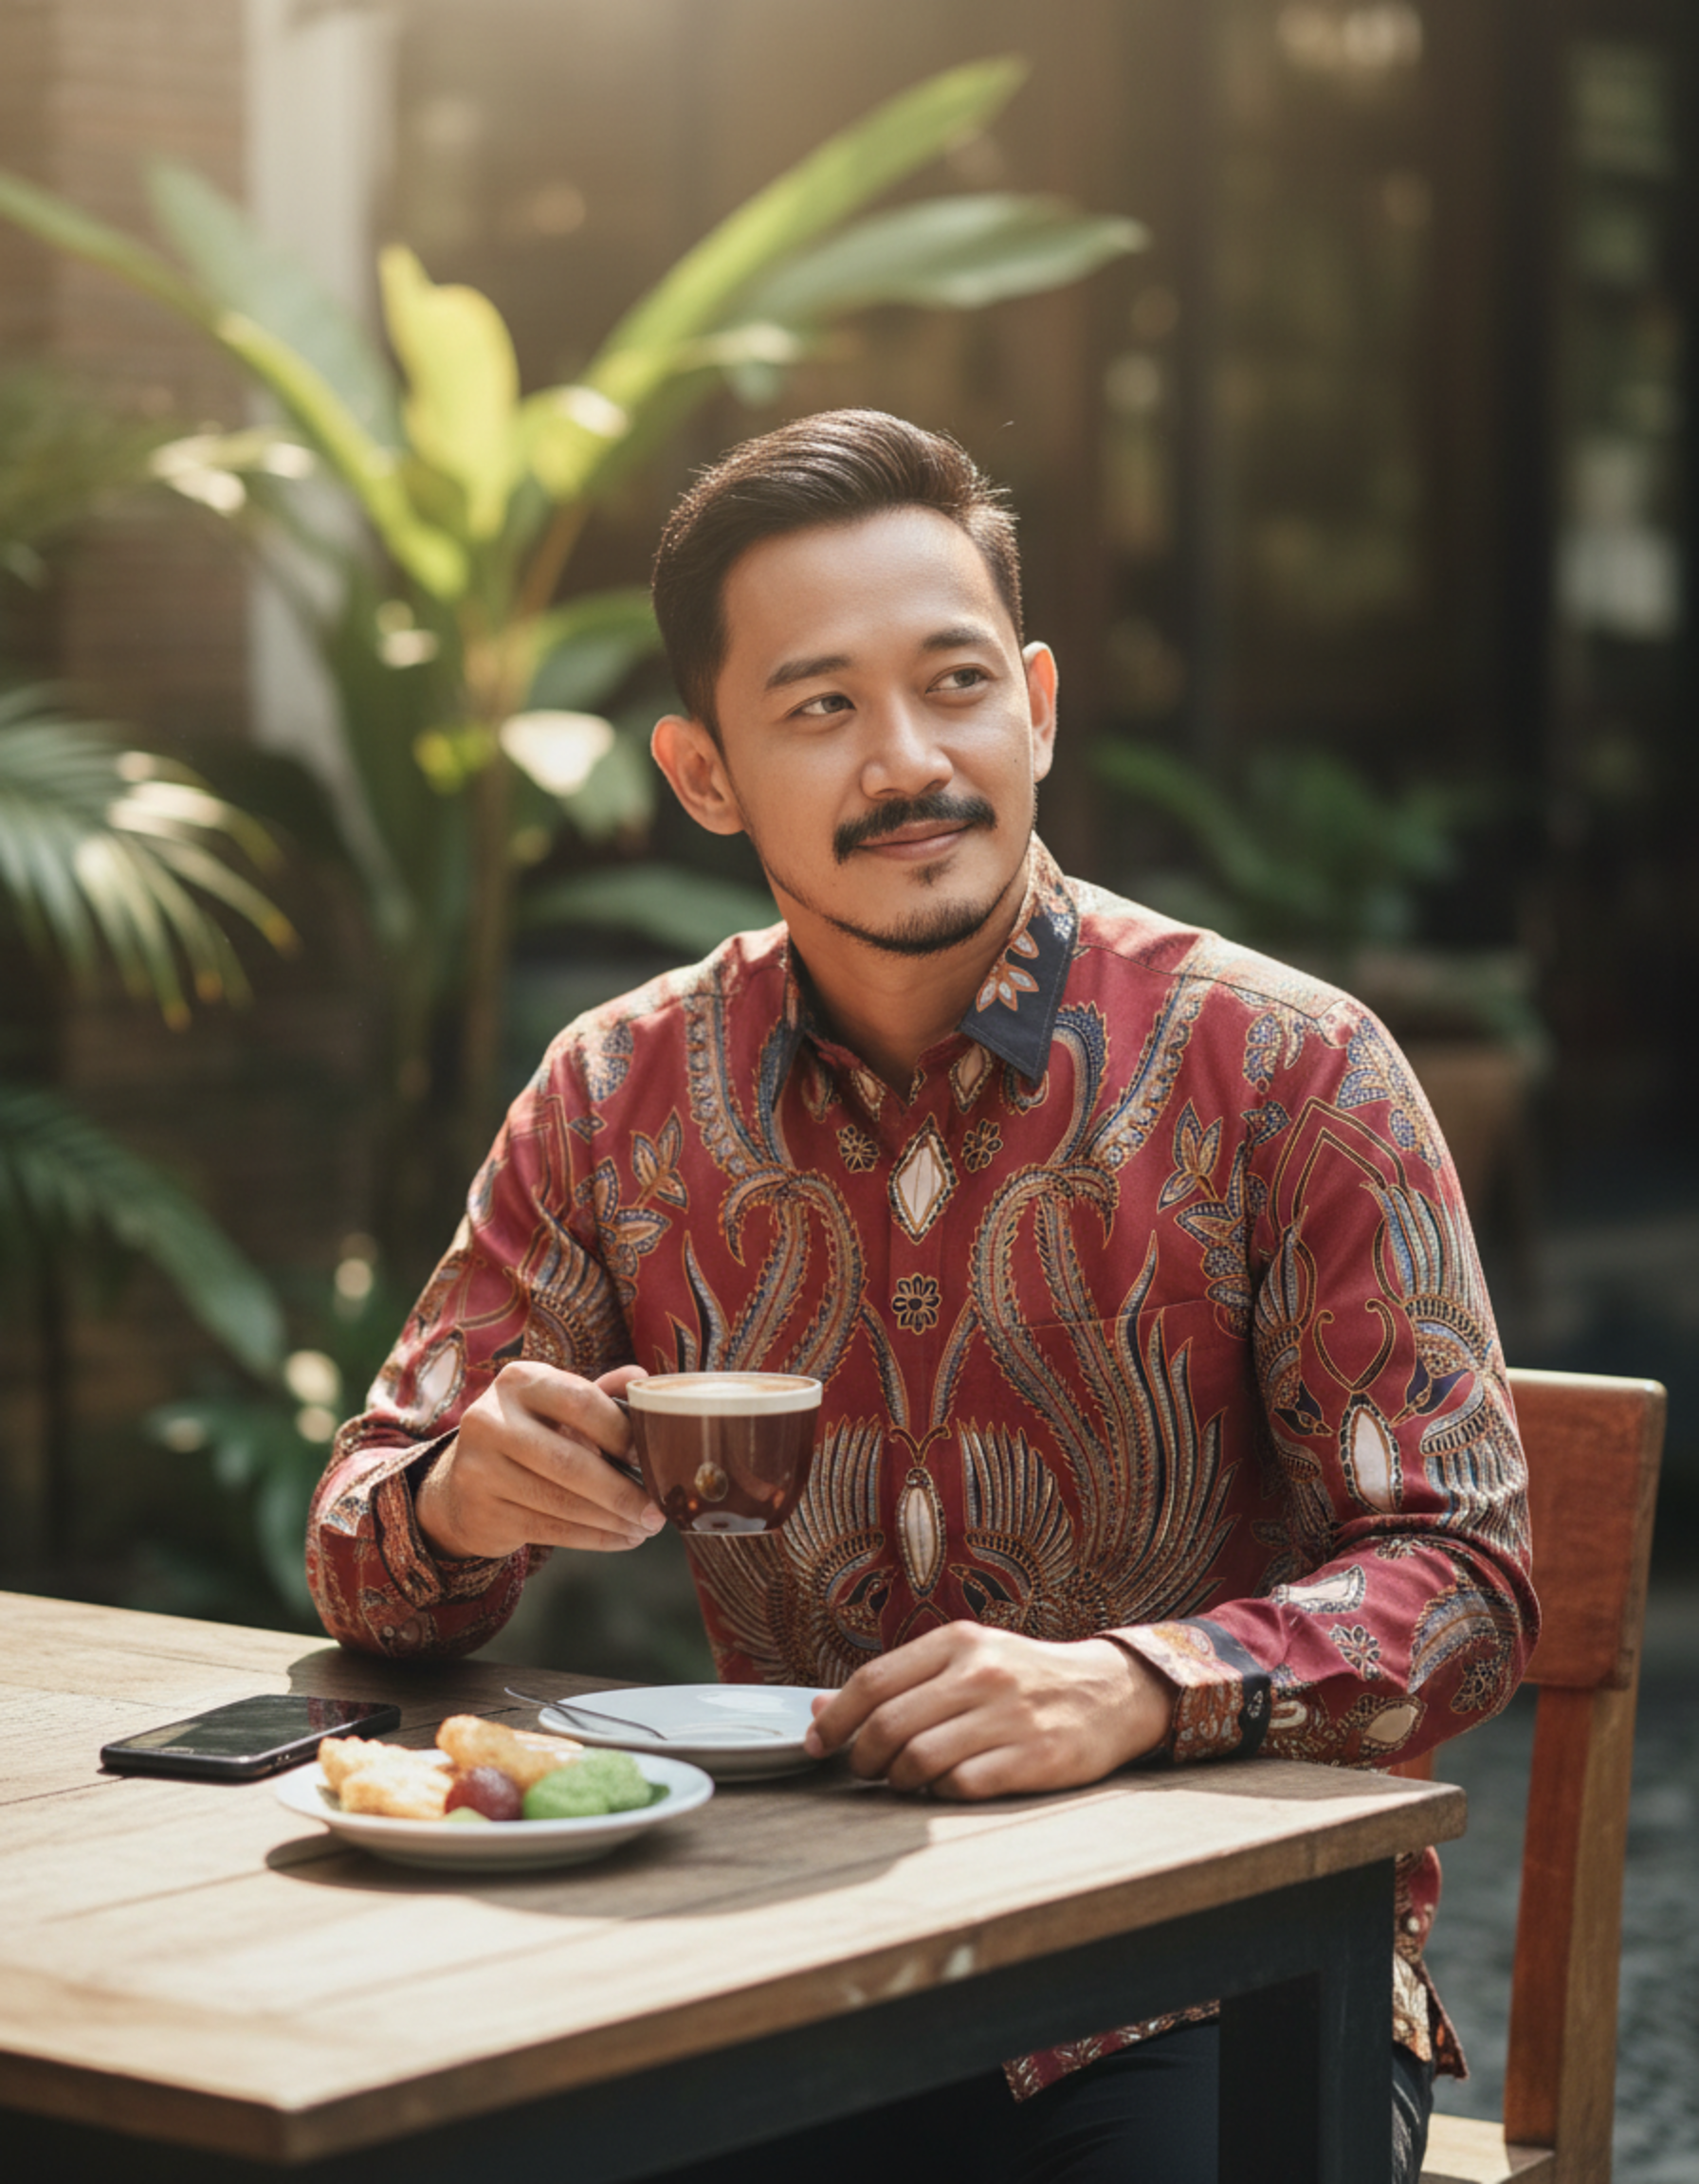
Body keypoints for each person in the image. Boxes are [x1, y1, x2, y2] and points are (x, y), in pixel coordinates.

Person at [308, 410, 1537, 2182]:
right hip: (767, 1975)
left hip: (1212, 1988)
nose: (908, 760)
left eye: (956, 683)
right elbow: (360, 1538)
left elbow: (1473, 1579)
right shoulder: (616, 1094)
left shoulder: (1287, 1068)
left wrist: (1136, 1683)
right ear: (704, 774)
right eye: (820, 707)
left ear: (1035, 702)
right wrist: (455, 1499)